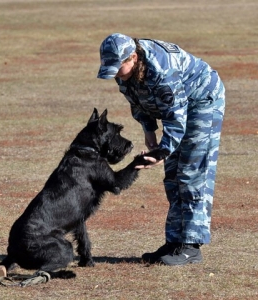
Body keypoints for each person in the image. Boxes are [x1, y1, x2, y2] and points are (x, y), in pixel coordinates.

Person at [97, 33, 225, 266]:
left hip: (202, 102)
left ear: (133, 58)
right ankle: (175, 242)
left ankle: (191, 247)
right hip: (177, 108)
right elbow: (137, 100)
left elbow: (176, 118)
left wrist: (162, 152)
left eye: (118, 68)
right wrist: (148, 130)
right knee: (173, 176)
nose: (115, 74)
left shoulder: (162, 71)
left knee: (191, 173)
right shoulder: (125, 70)